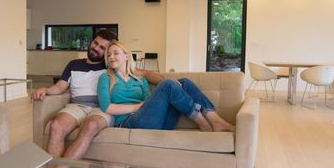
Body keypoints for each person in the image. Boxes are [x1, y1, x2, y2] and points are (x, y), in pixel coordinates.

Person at [32, 31, 163, 168]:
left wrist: (165, 81)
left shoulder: (110, 65)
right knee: (56, 126)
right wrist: (45, 90)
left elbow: (143, 73)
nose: (96, 48)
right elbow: (59, 87)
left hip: (101, 108)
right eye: (95, 43)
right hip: (76, 106)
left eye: (102, 47)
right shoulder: (74, 64)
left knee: (91, 126)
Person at [97, 40, 235, 132]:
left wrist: (145, 106)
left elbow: (150, 101)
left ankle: (214, 118)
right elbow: (107, 107)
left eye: (115, 53)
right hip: (130, 123)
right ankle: (202, 122)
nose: (111, 57)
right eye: (108, 55)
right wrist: (137, 107)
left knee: (184, 82)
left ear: (126, 56)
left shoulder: (139, 78)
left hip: (156, 122)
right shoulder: (106, 78)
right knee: (168, 84)